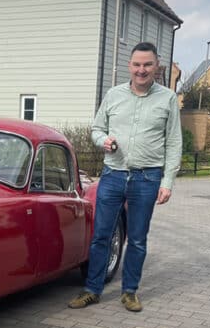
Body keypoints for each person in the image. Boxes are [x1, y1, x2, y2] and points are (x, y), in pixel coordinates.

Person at [69, 41, 182, 312]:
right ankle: (92, 289)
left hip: (147, 178)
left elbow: (174, 143)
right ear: (129, 66)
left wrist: (167, 182)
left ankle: (130, 291)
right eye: (136, 65)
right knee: (100, 235)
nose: (141, 70)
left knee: (138, 238)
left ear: (156, 67)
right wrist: (103, 140)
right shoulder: (114, 94)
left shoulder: (166, 98)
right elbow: (96, 128)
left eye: (147, 65)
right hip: (113, 175)